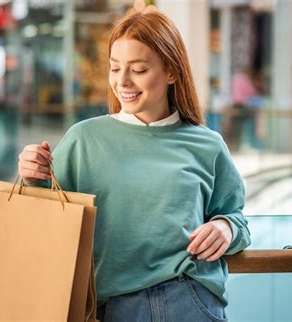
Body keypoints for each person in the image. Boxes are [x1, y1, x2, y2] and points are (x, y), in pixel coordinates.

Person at [18, 7, 251, 322]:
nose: (122, 81)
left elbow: (237, 220)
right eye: (115, 68)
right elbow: (42, 222)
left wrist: (225, 227)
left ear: (172, 72)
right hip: (110, 307)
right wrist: (32, 176)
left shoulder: (206, 145)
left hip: (191, 301)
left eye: (139, 69)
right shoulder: (84, 139)